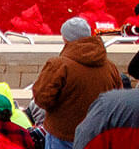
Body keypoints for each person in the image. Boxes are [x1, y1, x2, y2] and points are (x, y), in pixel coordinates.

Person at [35, 18, 120, 149]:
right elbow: (117, 100)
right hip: (97, 135)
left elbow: (41, 98)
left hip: (62, 135)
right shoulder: (110, 67)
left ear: (65, 39)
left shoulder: (59, 65)